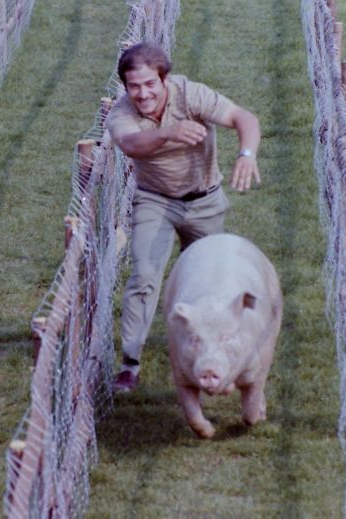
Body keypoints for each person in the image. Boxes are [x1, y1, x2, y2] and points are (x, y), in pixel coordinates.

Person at [105, 42, 261, 392]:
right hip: (154, 201)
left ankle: (216, 358)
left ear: (165, 80)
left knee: (213, 285)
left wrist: (247, 154)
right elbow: (131, 145)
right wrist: (168, 132)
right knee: (144, 275)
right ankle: (130, 363)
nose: (142, 94)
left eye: (149, 84)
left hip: (204, 200)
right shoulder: (121, 114)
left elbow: (244, 118)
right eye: (134, 86)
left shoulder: (190, 95)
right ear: (125, 87)